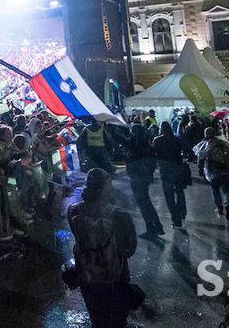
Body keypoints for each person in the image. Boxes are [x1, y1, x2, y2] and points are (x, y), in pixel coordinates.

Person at [67, 168, 137, 328]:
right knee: (117, 320)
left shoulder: (73, 210)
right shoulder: (120, 214)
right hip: (115, 277)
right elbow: (129, 249)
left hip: (87, 276)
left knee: (97, 319)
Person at [126, 124, 163, 238]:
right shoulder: (147, 145)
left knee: (143, 204)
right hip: (144, 178)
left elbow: (120, 139)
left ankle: (151, 229)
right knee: (146, 202)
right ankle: (157, 226)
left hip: (137, 178)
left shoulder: (136, 146)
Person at [193, 127, 229, 221]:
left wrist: (200, 170)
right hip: (224, 169)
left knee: (215, 190)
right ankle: (228, 204)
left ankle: (219, 208)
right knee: (227, 189)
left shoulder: (203, 145)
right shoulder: (221, 142)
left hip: (211, 171)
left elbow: (200, 159)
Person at [152, 122, 189, 229]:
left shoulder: (157, 140)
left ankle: (176, 218)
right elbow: (185, 151)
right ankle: (182, 211)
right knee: (180, 191)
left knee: (169, 195)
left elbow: (154, 154)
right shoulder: (177, 139)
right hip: (178, 168)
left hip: (165, 170)